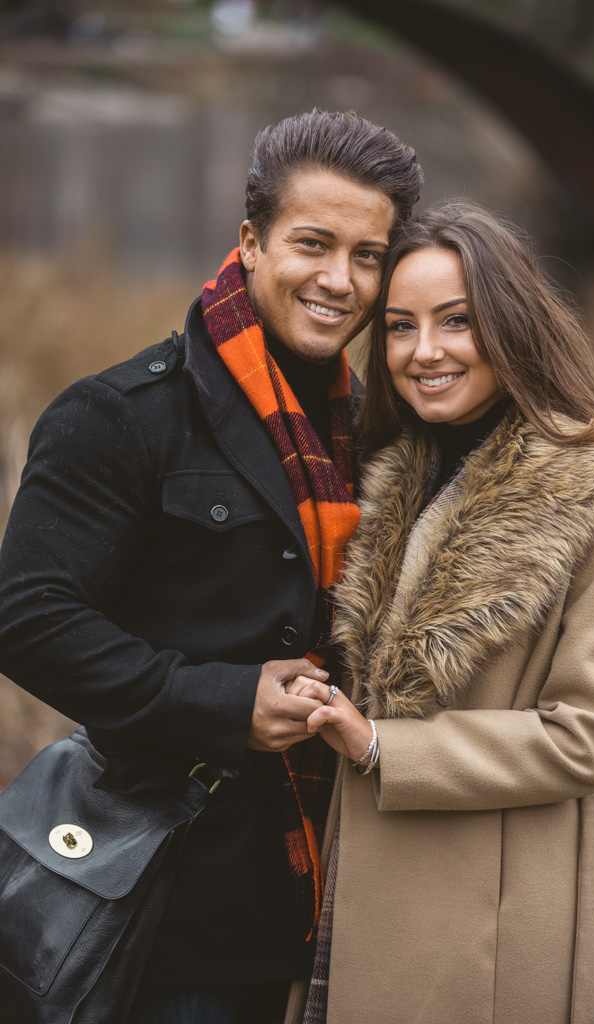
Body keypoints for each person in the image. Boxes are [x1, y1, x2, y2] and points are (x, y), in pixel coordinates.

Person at [0, 109, 423, 1024]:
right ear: (251, 241)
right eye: (313, 244)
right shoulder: (122, 415)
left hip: (352, 871)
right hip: (173, 886)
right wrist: (224, 702)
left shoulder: (386, 431)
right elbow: (28, 616)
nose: (338, 280)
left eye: (367, 255)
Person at [286, 200, 594, 1024]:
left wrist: (384, 743)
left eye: (455, 321)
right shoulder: (381, 472)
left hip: (488, 915)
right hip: (349, 888)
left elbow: (586, 736)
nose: (424, 352)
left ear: (511, 326)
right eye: (397, 326)